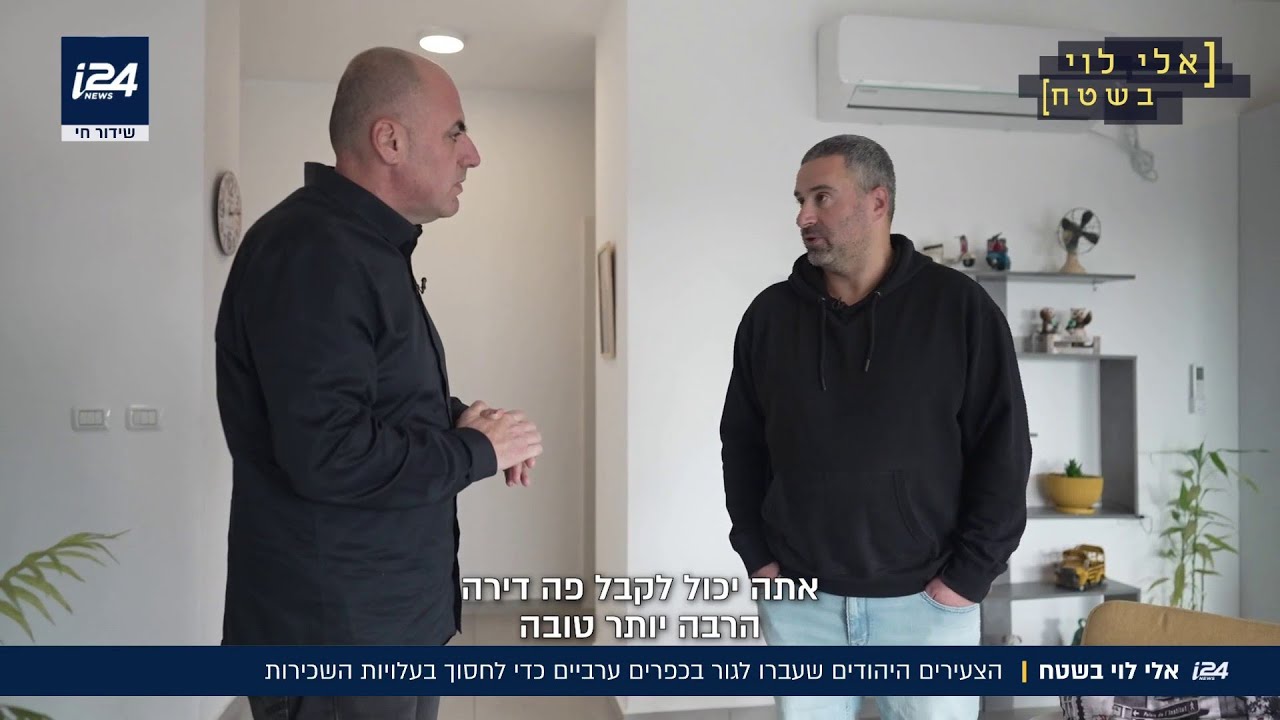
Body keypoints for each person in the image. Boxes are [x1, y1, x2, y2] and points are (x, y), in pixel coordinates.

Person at [214, 47, 543, 720]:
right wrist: (476, 451)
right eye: (455, 132)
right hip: (335, 635)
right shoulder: (313, 252)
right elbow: (329, 452)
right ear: (390, 140)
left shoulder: (364, 249)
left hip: (387, 619)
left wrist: (462, 421)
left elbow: (376, 397)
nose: (472, 155)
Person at [719, 134, 1032, 720]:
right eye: (800, 200)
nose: (803, 216)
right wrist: (759, 559)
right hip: (801, 607)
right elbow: (742, 446)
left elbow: (1003, 451)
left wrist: (966, 579)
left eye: (821, 197)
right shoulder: (769, 316)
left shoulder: (960, 309)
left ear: (877, 201)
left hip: (926, 608)